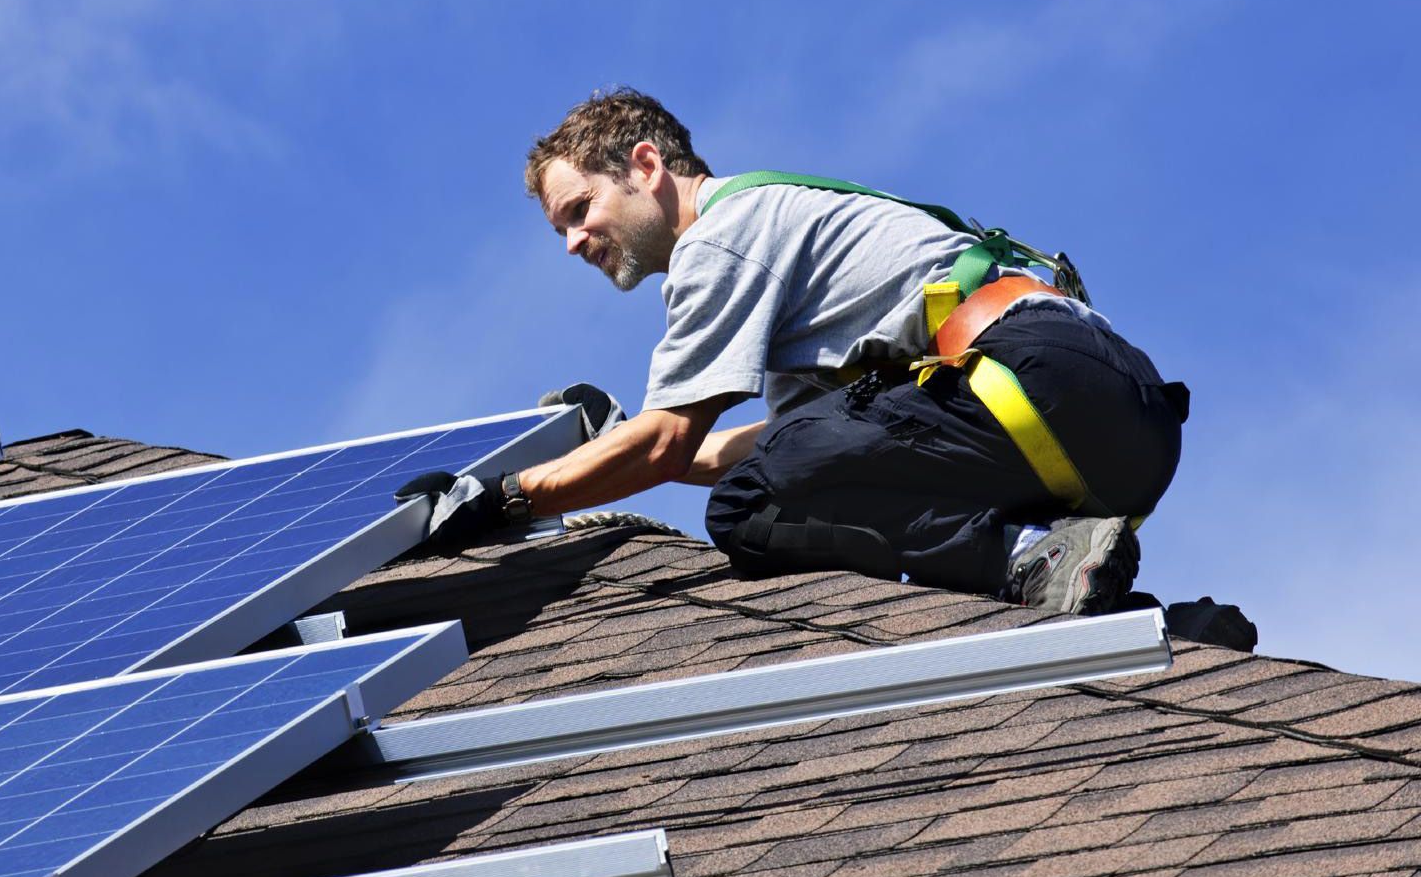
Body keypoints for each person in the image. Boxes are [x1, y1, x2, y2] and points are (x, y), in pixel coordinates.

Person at [395, 88, 1186, 615]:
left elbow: (676, 444)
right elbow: (766, 448)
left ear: (645, 165)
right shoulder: (785, 242)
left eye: (580, 209)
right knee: (777, 476)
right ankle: (1124, 613)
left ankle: (1026, 557)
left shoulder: (722, 240)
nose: (572, 243)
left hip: (1031, 387)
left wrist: (504, 498)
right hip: (1120, 424)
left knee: (749, 512)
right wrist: (612, 450)